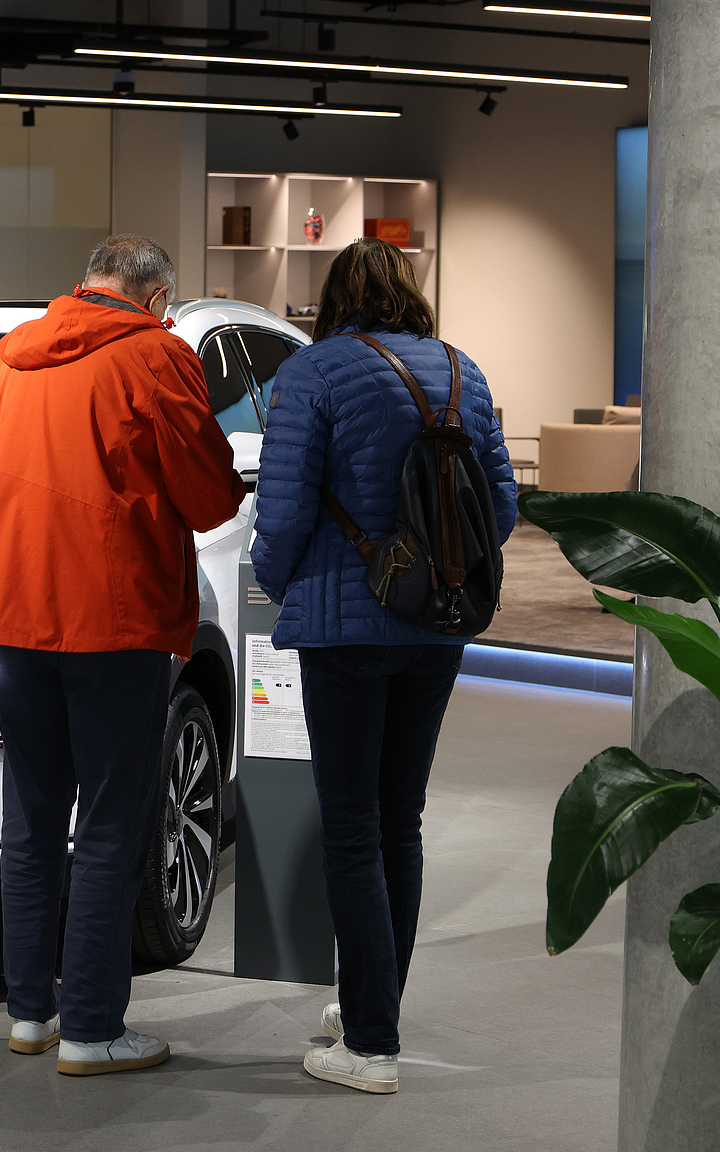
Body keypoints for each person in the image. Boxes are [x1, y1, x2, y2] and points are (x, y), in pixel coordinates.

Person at [0, 235, 246, 1075]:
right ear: (156, 299)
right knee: (115, 821)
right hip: (115, 620)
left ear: (88, 284)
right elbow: (209, 496)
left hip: (14, 611)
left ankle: (31, 1015)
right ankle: (91, 1028)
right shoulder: (156, 356)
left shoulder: (12, 361)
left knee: (31, 818)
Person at [250, 237, 517, 1094]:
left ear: (337, 296)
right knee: (401, 821)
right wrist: (437, 571)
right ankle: (376, 1006)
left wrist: (284, 585)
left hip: (343, 627)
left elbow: (282, 512)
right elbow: (502, 505)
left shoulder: (314, 373)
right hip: (437, 624)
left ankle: (369, 1044)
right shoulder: (463, 372)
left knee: (352, 827)